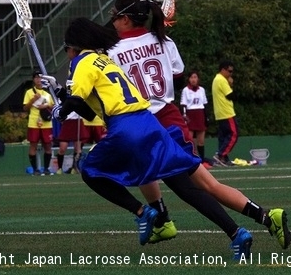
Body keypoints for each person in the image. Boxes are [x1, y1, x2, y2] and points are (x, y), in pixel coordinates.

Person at [104, 0, 291, 252]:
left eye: (114, 16)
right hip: (169, 120)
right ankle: (165, 220)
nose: (111, 21)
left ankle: (253, 222)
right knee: (173, 177)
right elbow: (178, 78)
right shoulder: (164, 41)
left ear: (124, 18)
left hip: (145, 123)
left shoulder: (112, 51)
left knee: (192, 186)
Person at [53, 17, 256, 259]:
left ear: (72, 46)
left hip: (125, 128)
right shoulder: (104, 60)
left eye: (66, 49)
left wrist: (60, 110)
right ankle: (236, 233)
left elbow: (77, 101)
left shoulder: (81, 61)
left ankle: (143, 212)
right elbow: (86, 107)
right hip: (150, 123)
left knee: (89, 170)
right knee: (189, 187)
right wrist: (62, 96)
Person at [22, 71, 55, 176]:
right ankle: (35, 169)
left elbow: (52, 107)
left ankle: (46, 169)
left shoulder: (47, 94)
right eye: (36, 78)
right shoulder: (29, 92)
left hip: (46, 123)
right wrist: (33, 100)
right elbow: (25, 108)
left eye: (40, 78)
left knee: (47, 145)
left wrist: (45, 106)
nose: (38, 80)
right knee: (33, 145)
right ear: (33, 80)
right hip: (34, 122)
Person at [180, 70, 211, 165]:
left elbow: (205, 104)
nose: (193, 80)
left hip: (200, 114)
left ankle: (202, 160)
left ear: (198, 79)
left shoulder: (201, 90)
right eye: (191, 77)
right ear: (189, 79)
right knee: (189, 138)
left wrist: (207, 117)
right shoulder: (186, 90)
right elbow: (183, 104)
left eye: (195, 77)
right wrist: (184, 116)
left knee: (201, 140)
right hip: (190, 115)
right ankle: (191, 159)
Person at [213, 60, 239, 166]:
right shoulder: (221, 80)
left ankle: (223, 158)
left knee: (224, 137)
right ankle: (220, 155)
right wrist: (231, 84)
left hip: (220, 113)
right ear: (223, 70)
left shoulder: (216, 79)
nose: (230, 74)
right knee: (234, 134)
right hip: (226, 112)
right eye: (229, 71)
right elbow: (230, 95)